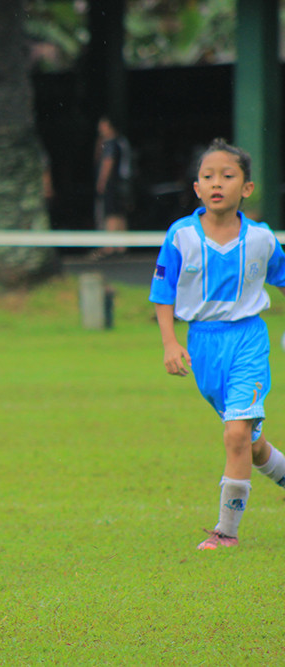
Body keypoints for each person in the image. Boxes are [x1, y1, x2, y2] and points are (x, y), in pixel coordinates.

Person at [150, 138, 285, 550]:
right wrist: (171, 343)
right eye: (208, 176)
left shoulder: (261, 239)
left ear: (246, 187)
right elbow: (163, 291)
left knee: (235, 434)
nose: (217, 183)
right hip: (203, 344)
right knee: (250, 442)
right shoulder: (182, 236)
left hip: (247, 338)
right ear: (196, 188)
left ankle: (226, 532)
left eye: (228, 175)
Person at [92, 116, 132, 259]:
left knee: (110, 213)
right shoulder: (122, 141)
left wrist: (101, 181)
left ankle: (109, 247)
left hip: (112, 183)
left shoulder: (110, 143)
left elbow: (108, 162)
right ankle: (122, 246)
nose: (99, 129)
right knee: (121, 213)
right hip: (123, 182)